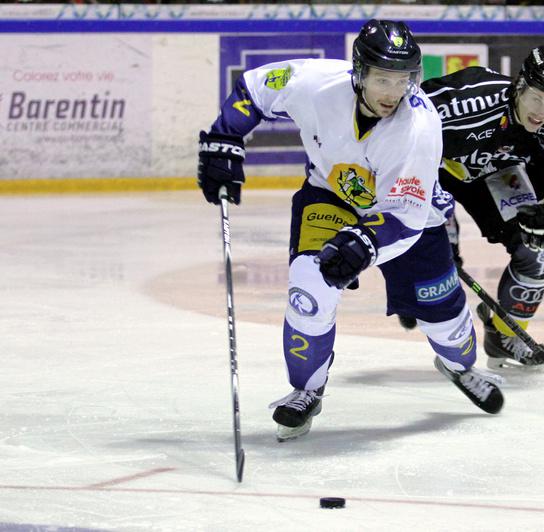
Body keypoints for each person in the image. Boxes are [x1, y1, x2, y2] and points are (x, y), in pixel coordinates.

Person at [197, 19, 504, 442]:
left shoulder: (418, 126)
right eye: (382, 79)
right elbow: (255, 88)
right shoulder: (316, 83)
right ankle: (306, 390)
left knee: (446, 323)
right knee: (309, 286)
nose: (393, 92)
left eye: (403, 79)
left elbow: (405, 217)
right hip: (330, 195)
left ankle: (459, 366)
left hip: (407, 218)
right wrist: (225, 137)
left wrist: (364, 242)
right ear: (359, 73)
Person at [406, 46, 544, 371]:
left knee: (542, 250)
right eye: (536, 98)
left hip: (498, 176)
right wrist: (426, 220)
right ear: (519, 86)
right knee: (437, 256)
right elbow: (397, 135)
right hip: (433, 170)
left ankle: (504, 336)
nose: (542, 112)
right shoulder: (466, 102)